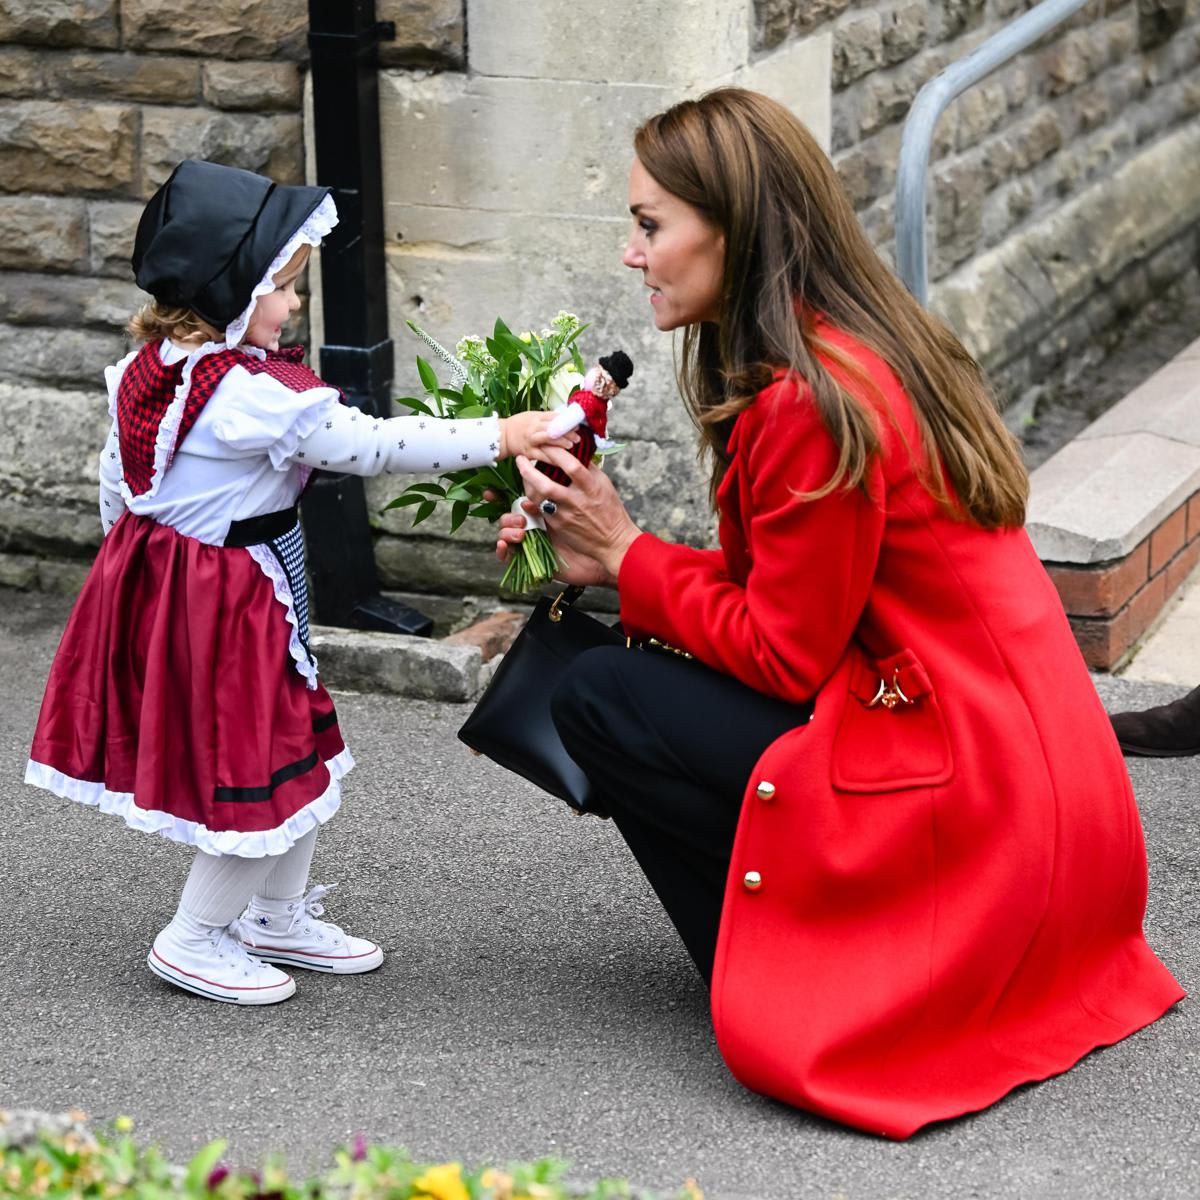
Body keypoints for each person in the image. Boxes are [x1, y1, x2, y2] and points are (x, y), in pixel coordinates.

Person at [495, 89, 1184, 1138]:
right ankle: (799, 937)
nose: (634, 254)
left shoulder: (811, 402)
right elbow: (793, 606)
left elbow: (780, 651)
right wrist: (607, 562)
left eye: (650, 227)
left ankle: (794, 964)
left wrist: (630, 555)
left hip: (982, 800)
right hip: (1045, 795)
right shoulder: (862, 344)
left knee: (595, 694)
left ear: (737, 227)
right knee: (616, 671)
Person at [24, 160, 572, 1006]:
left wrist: (142, 576)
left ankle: (275, 916)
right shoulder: (252, 397)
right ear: (234, 295)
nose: (292, 305)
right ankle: (195, 937)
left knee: (296, 751)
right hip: (234, 597)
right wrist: (501, 433)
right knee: (260, 758)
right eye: (282, 289)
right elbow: (377, 446)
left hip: (199, 585)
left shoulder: (152, 370)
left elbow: (118, 485)